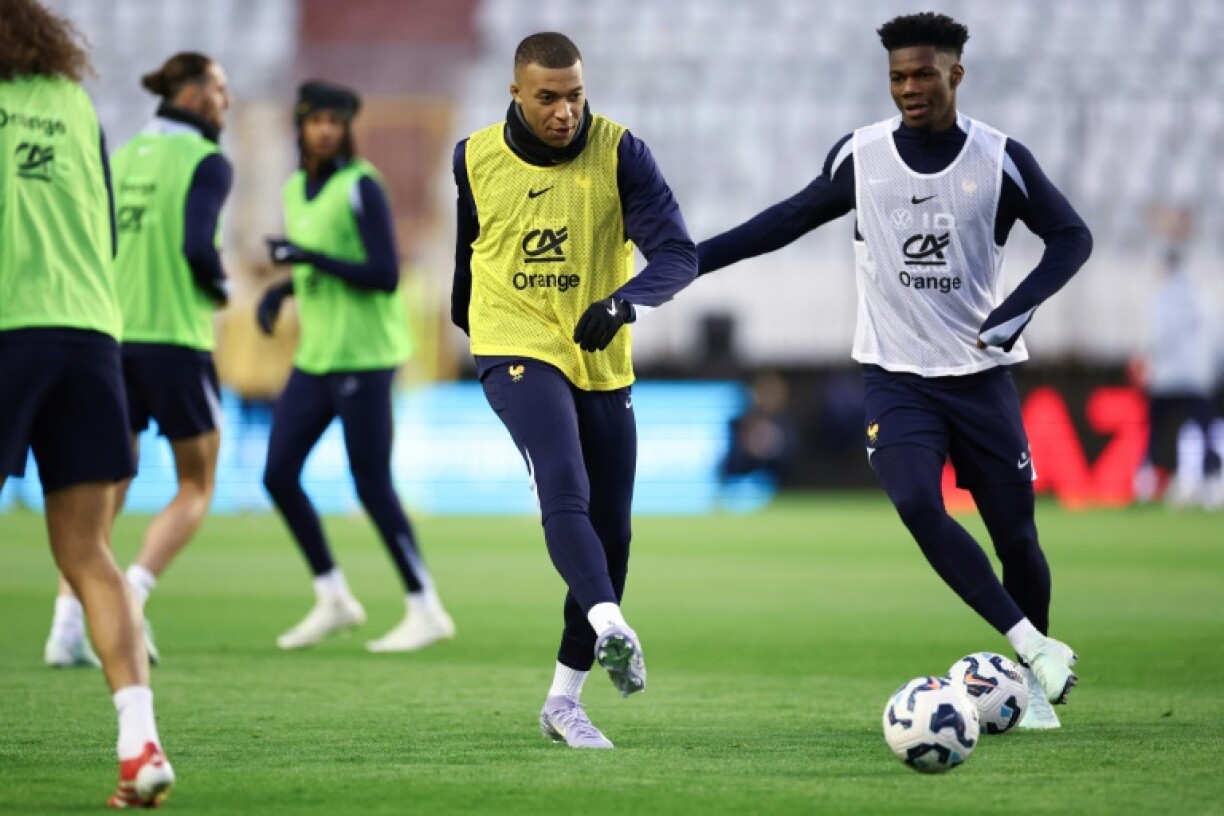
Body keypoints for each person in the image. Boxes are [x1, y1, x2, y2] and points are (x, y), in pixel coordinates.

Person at [696, 12, 1092, 729]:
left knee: (1019, 541)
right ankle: (1033, 649)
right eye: (897, 76)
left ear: (955, 75)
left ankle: (1036, 693)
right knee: (914, 501)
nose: (909, 88)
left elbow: (1072, 236)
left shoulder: (1000, 158)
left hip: (979, 376)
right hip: (895, 375)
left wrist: (1018, 308)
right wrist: (690, 260)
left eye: (923, 74)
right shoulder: (862, 155)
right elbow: (783, 220)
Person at [452, 32, 697, 748]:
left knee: (613, 535)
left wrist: (626, 302)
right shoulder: (472, 156)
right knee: (563, 480)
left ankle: (563, 701)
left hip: (599, 350)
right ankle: (611, 621)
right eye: (548, 97)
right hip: (513, 342)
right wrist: (469, 327)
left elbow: (678, 253)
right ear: (516, 94)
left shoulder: (621, 153)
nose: (564, 112)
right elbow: (471, 249)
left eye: (575, 95)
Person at [0, 0, 175, 805]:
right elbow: (101, 226)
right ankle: (140, 746)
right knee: (89, 554)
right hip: (90, 336)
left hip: (9, 327)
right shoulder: (73, 103)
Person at [44, 52, 233, 670]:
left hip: (111, 338)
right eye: (221, 89)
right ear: (197, 93)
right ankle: (133, 593)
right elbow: (195, 246)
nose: (226, 101)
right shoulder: (206, 161)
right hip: (175, 338)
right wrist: (220, 286)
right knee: (196, 484)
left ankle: (65, 625)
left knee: (104, 489)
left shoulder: (120, 156)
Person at [257, 80, 454, 653]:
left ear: (347, 128)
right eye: (315, 120)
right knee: (277, 475)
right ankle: (333, 595)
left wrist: (306, 258)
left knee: (371, 486)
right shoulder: (297, 189)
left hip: (365, 358)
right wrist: (285, 289)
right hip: (317, 356)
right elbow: (324, 266)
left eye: (335, 121)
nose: (325, 130)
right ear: (300, 126)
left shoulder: (361, 186)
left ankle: (426, 606)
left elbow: (383, 274)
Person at [1131, 209, 1222, 509]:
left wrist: (1144, 360)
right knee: (1203, 427)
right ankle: (1209, 482)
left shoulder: (1163, 296)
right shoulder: (1199, 294)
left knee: (1156, 432)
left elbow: (1157, 336)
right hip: (1195, 377)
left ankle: (1146, 481)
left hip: (1168, 378)